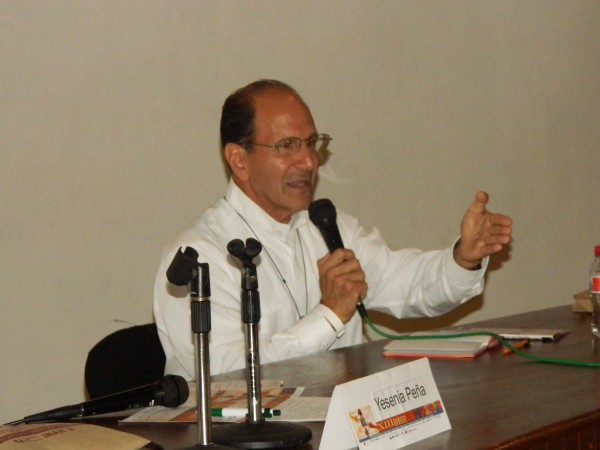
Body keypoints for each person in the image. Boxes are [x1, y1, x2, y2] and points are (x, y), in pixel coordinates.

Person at [153, 79, 512, 379]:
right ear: (239, 160)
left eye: (311, 143)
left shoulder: (325, 224)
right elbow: (223, 376)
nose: (308, 161)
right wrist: (329, 315)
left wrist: (462, 258)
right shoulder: (199, 255)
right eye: (287, 146)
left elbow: (406, 284)